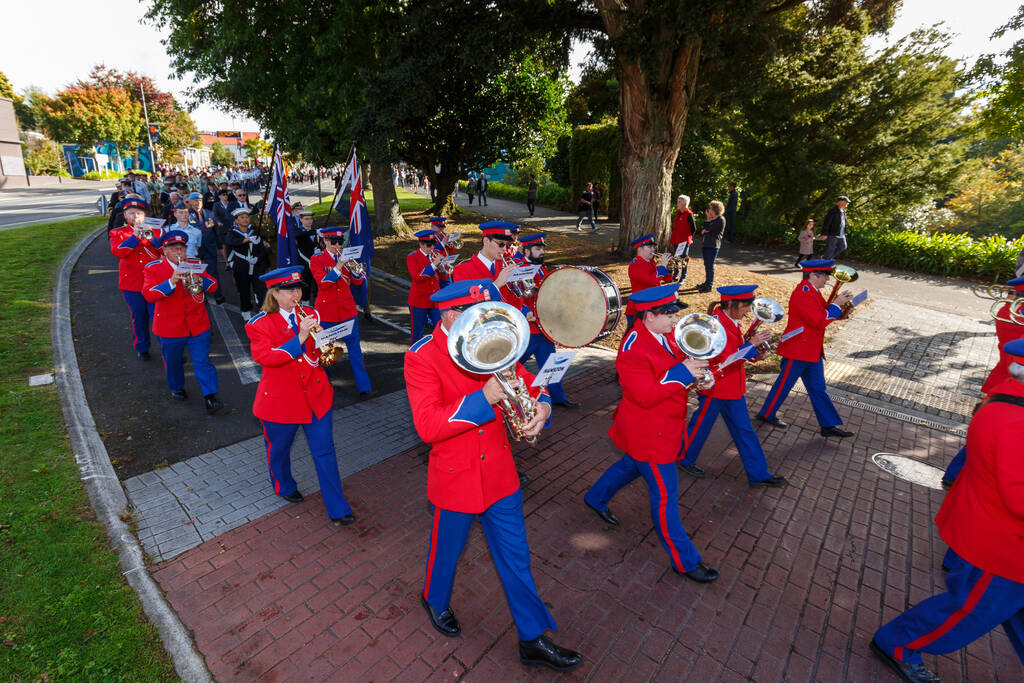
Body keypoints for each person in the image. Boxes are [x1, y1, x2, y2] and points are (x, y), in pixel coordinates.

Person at [404, 279, 582, 672]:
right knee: (447, 554)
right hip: (456, 475)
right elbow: (428, 426)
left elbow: (531, 381)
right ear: (452, 314)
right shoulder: (421, 355)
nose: (487, 324)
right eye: (477, 316)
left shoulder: (490, 340)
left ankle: (532, 638)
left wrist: (544, 408)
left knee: (517, 560)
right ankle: (435, 599)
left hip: (500, 473)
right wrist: (483, 399)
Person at [871, 339, 1024, 683]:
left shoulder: (1011, 401)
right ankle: (896, 643)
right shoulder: (1015, 417)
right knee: (971, 611)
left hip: (1000, 535)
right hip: (1004, 544)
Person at [583, 284, 720, 583]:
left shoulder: (666, 335)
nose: (675, 320)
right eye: (669, 314)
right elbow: (645, 395)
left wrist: (697, 376)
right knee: (665, 498)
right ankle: (685, 561)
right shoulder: (632, 350)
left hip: (659, 426)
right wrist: (683, 373)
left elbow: (673, 374)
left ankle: (595, 498)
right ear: (648, 316)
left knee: (629, 466)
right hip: (650, 433)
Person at [244, 266, 356, 526]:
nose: (297, 293)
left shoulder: (311, 313)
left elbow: (317, 352)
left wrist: (325, 345)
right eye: (290, 289)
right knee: (279, 450)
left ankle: (338, 508)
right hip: (281, 401)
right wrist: (301, 337)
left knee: (325, 452)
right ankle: (283, 485)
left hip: (316, 396)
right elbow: (267, 357)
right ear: (274, 294)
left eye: (299, 288)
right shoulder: (258, 325)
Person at [678, 285, 787, 486]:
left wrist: (755, 353)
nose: (748, 311)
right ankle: (684, 457)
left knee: (742, 429)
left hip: (730, 387)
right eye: (746, 306)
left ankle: (759, 474)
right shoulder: (716, 325)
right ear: (730, 303)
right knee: (701, 425)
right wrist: (751, 345)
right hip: (717, 387)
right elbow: (725, 359)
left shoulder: (729, 320)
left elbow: (736, 353)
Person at [756, 259, 855, 436]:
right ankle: (766, 414)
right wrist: (835, 305)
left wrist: (843, 311)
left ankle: (828, 425)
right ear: (813, 275)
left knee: (818, 388)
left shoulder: (813, 291)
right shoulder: (803, 293)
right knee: (784, 385)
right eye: (825, 276)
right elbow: (819, 321)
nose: (827, 279)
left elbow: (824, 313)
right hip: (798, 349)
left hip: (810, 349)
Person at [942, 276, 1024, 486]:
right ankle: (957, 475)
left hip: (1004, 384)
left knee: (990, 440)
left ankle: (955, 475)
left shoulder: (1010, 311)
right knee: (994, 441)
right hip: (1011, 387)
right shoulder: (1014, 315)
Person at [141, 230, 222, 413]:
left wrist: (200, 280)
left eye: (182, 248)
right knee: (173, 362)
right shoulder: (153, 268)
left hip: (198, 325)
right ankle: (177, 386)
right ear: (164, 250)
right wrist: (171, 281)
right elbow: (148, 295)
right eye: (174, 248)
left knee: (202, 362)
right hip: (170, 327)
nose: (179, 251)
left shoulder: (195, 263)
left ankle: (210, 396)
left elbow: (214, 286)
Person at [517, 233, 580, 409]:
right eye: (537, 249)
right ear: (526, 250)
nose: (541, 252)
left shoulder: (542, 268)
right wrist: (524, 310)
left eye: (542, 249)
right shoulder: (519, 268)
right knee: (512, 364)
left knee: (551, 364)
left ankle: (558, 397)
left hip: (543, 327)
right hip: (528, 328)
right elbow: (515, 295)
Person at [311, 227, 375, 398]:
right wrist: (339, 266)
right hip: (327, 312)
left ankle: (364, 386)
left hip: (347, 310)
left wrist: (356, 270)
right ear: (325, 241)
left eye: (340, 242)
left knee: (355, 349)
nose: (337, 245)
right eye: (333, 242)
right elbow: (323, 283)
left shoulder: (346, 258)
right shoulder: (317, 259)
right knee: (324, 350)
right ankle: (323, 384)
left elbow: (359, 282)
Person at [109, 197, 163, 360]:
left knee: (159, 317)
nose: (135, 217)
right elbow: (119, 252)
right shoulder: (117, 233)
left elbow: (162, 249)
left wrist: (149, 236)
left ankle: (167, 349)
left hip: (154, 282)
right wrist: (136, 236)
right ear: (125, 215)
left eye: (139, 213)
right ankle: (142, 347)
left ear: (144, 215)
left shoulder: (156, 230)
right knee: (139, 317)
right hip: (132, 284)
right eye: (131, 213)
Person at [452, 222, 521, 307]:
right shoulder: (462, 269)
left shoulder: (505, 265)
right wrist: (496, 285)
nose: (504, 249)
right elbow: (466, 304)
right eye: (501, 244)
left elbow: (512, 300)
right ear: (486, 241)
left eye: (506, 245)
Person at [224, 208, 267, 320]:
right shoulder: (232, 232)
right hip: (241, 265)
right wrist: (248, 239)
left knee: (260, 289)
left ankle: (263, 311)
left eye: (247, 217)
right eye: (242, 217)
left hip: (255, 265)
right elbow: (232, 242)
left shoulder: (254, 230)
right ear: (236, 220)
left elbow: (261, 249)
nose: (245, 219)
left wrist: (258, 258)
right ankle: (246, 312)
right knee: (244, 290)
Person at [625, 233, 674, 329]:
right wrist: (663, 266)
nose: (653, 250)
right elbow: (651, 281)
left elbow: (667, 279)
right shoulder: (635, 265)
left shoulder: (650, 262)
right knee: (638, 337)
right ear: (639, 248)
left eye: (653, 247)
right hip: (638, 308)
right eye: (649, 247)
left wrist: (669, 267)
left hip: (651, 306)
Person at [407, 229, 444, 345]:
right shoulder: (412, 257)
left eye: (433, 243)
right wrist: (434, 265)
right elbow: (417, 277)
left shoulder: (434, 255)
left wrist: (443, 266)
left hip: (435, 300)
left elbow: (443, 275)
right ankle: (414, 357)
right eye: (429, 245)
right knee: (417, 333)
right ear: (420, 244)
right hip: (419, 301)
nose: (432, 247)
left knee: (440, 328)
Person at [697, 201, 725, 293]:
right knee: (707, 265)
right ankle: (706, 283)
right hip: (706, 244)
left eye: (710, 208)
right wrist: (708, 219)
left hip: (713, 246)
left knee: (710, 266)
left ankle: (709, 285)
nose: (709, 210)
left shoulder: (720, 219)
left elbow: (708, 229)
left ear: (715, 210)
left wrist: (708, 222)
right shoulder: (711, 219)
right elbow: (703, 230)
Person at [294, 210, 320, 304]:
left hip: (316, 262)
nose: (309, 221)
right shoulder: (298, 230)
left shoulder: (316, 231)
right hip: (304, 262)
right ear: (301, 220)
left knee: (318, 285)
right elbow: (300, 234)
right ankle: (305, 305)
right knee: (306, 285)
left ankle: (319, 306)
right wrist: (315, 231)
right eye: (306, 219)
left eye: (310, 218)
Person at [670, 195, 696, 283]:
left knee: (684, 259)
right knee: (676, 258)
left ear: (684, 203)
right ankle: (675, 275)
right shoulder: (677, 213)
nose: (677, 203)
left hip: (684, 241)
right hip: (676, 239)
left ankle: (683, 277)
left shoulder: (689, 214)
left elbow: (693, 228)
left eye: (679, 202)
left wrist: (690, 238)